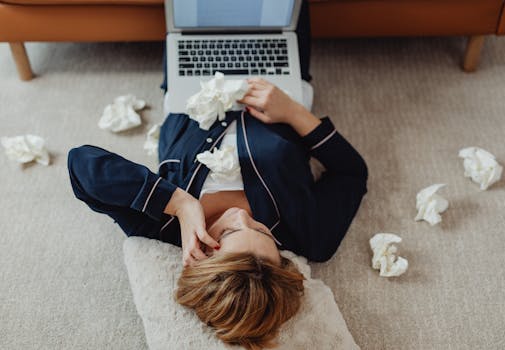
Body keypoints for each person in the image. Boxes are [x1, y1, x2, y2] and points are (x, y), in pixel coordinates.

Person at [67, 3, 368, 349]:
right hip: (275, 68)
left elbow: (82, 164)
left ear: (203, 255)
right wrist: (295, 113)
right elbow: (351, 174)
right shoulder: (311, 236)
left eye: (227, 232)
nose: (242, 216)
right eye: (260, 230)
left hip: (195, 64)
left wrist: (178, 203)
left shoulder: (161, 225)